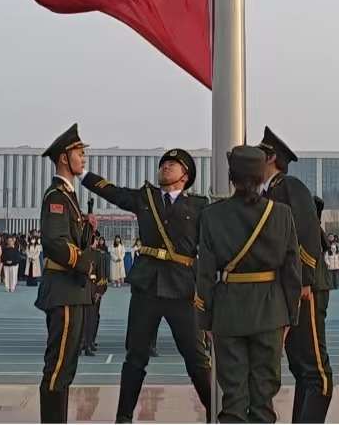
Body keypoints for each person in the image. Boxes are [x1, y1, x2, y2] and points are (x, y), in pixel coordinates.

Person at [81, 147, 213, 422]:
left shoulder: (200, 206)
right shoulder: (146, 198)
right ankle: (123, 418)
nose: (166, 166)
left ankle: (217, 414)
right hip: (147, 287)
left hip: (182, 289)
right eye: (164, 163)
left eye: (173, 164)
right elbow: (113, 192)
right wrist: (82, 174)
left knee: (197, 359)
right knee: (135, 358)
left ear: (185, 176)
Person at [195, 146, 301, 423]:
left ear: (231, 177)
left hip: (228, 311)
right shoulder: (281, 214)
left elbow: (204, 274)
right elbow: (292, 271)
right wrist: (290, 316)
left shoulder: (211, 215)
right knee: (263, 400)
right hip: (271, 311)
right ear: (262, 175)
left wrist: (205, 320)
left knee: (233, 399)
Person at [258, 127, 333, 423]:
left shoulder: (289, 186)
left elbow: (307, 231)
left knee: (315, 371)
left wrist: (304, 279)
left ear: (270, 158)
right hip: (285, 289)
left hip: (303, 288)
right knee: (301, 369)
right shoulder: (266, 193)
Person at [35, 124, 97, 423]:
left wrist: (86, 229)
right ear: (64, 158)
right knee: (58, 367)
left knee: (67, 366)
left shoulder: (69, 196)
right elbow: (55, 242)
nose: (83, 158)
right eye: (79, 153)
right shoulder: (57, 197)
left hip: (72, 289)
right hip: (64, 288)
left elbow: (70, 238)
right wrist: (86, 263)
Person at [82, 232, 109, 356]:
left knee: (91, 318)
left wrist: (100, 291)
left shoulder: (99, 255)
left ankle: (89, 342)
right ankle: (80, 344)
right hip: (80, 289)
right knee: (81, 319)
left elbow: (102, 275)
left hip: (93, 290)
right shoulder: (81, 253)